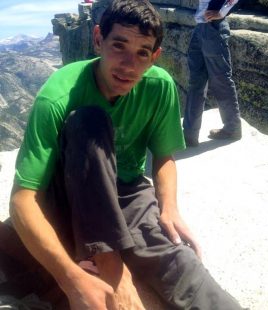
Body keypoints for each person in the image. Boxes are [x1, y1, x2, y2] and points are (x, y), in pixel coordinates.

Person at [9, 0, 244, 309]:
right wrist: (70, 278)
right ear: (97, 39)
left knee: (176, 261)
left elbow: (163, 156)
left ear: (154, 57)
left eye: (142, 53)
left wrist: (169, 208)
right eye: (118, 46)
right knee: (87, 122)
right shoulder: (58, 96)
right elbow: (22, 200)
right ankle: (110, 267)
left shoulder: (159, 87)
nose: (128, 65)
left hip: (126, 195)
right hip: (68, 191)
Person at [183, 0, 242, 147]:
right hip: (201, 26)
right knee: (196, 82)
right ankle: (189, 135)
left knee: (221, 80)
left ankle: (232, 128)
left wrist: (221, 12)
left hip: (214, 27)